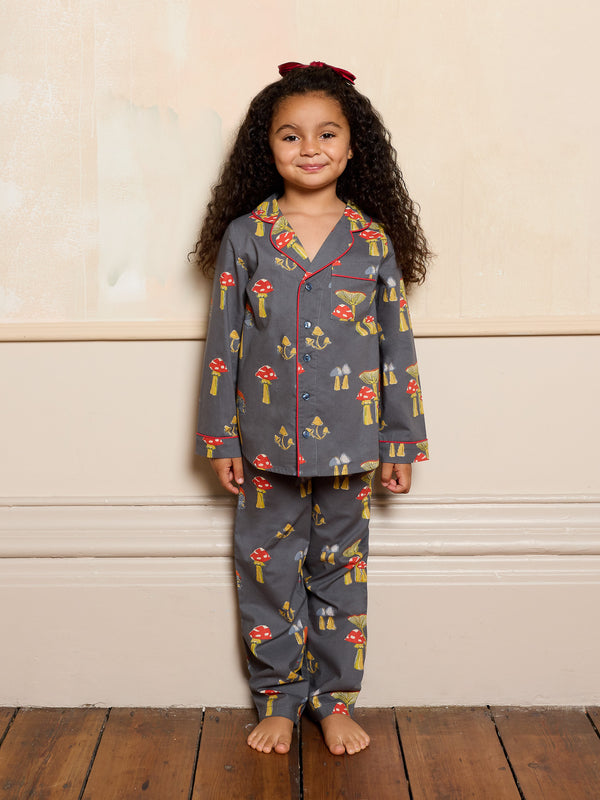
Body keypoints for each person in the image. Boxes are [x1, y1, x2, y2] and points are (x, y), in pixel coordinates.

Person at [193, 61, 431, 756]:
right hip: (264, 447)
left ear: (354, 147)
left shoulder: (373, 241)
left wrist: (401, 442)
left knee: (339, 578)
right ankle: (277, 698)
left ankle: (332, 703)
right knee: (266, 573)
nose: (310, 148)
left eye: (327, 134)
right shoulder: (248, 236)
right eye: (290, 136)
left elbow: (397, 349)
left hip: (354, 448)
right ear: (265, 149)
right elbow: (221, 344)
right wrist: (221, 438)